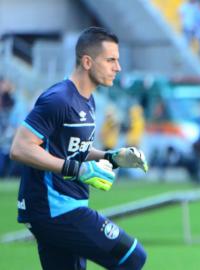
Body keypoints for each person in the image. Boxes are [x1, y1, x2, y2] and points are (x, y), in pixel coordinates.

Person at [10, 27, 148, 270]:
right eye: (111, 60)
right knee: (133, 256)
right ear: (87, 61)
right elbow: (21, 148)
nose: (118, 67)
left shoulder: (88, 100)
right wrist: (76, 169)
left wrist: (112, 157)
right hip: (55, 209)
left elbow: (75, 149)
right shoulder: (58, 99)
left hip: (60, 208)